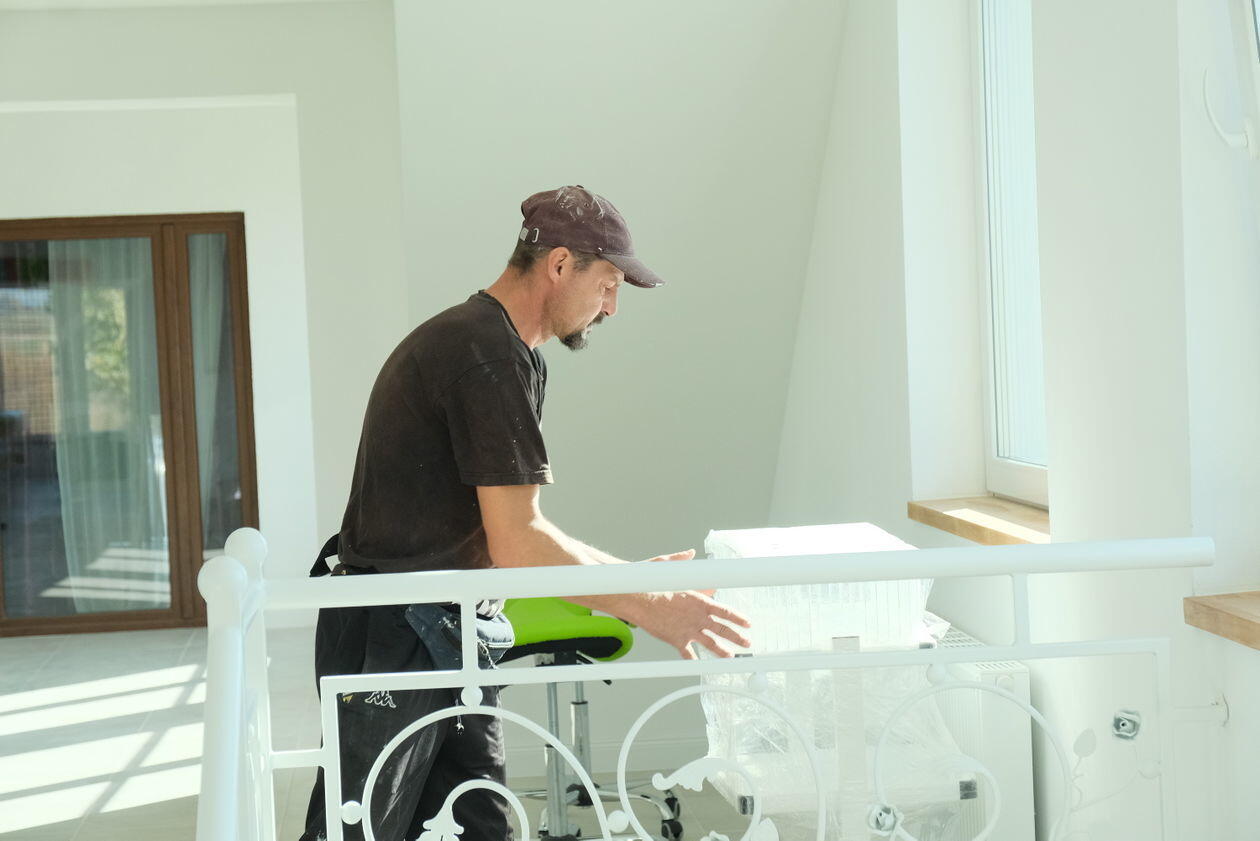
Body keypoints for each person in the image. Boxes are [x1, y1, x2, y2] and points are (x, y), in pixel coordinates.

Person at [298, 185, 752, 841]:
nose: (612, 307)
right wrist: (649, 602)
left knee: (478, 825)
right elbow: (520, 542)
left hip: (448, 625)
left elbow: (513, 533)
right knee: (355, 830)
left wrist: (630, 581)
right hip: (400, 633)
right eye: (608, 285)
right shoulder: (485, 355)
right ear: (560, 264)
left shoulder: (502, 349)